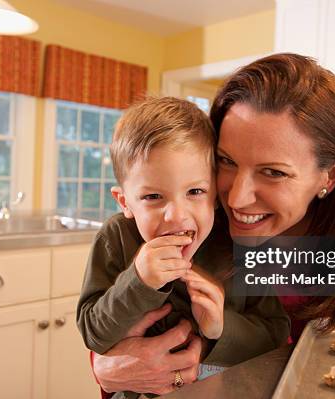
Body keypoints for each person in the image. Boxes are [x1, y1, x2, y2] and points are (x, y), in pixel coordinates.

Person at [91, 54, 335, 396]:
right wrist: (104, 366)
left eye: (274, 172)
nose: (236, 198)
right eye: (226, 161)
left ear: (330, 176)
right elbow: (130, 298)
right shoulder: (199, 217)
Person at [76, 97, 290, 398]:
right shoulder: (116, 238)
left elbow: (276, 334)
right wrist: (138, 281)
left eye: (195, 192)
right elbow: (93, 332)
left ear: (215, 194)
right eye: (152, 197)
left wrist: (220, 328)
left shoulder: (239, 243)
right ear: (125, 202)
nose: (176, 215)